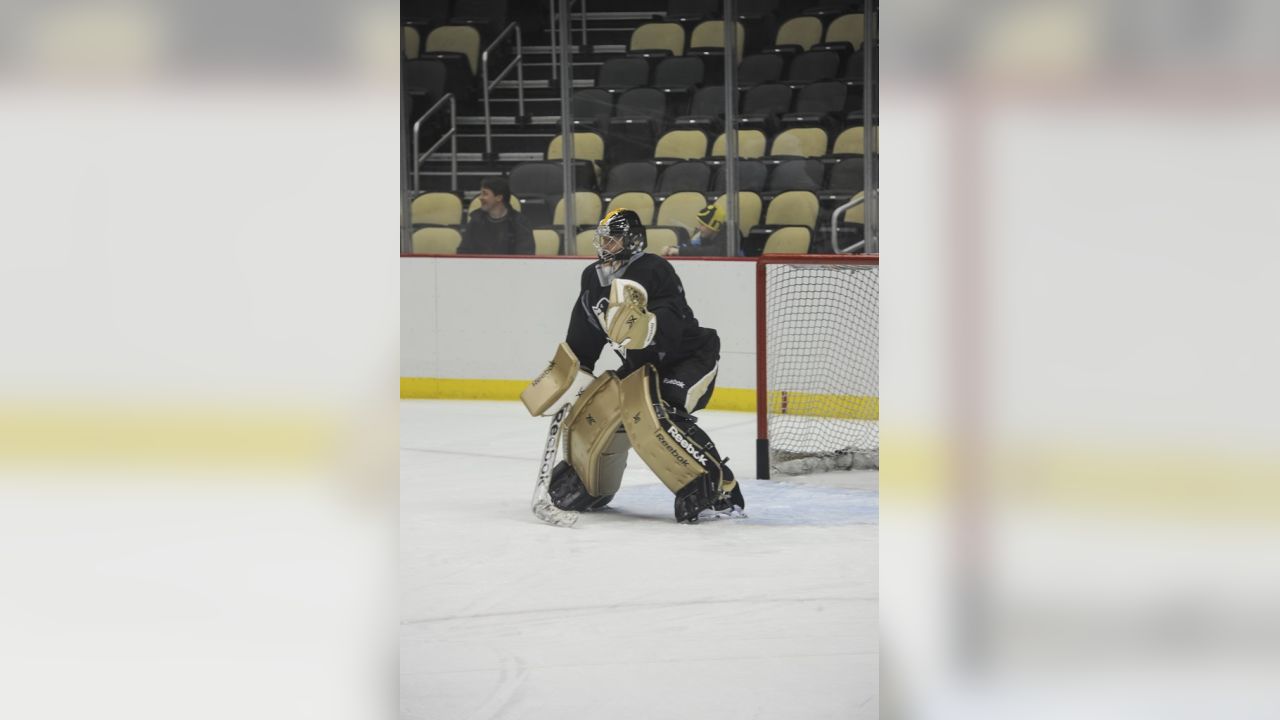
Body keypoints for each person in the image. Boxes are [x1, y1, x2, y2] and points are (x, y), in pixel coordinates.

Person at [539, 208, 744, 522]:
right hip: (643, 367)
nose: (605, 244)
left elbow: (674, 321)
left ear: (632, 239)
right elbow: (585, 332)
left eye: (613, 238)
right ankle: (588, 482)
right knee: (595, 411)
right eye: (603, 238)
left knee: (663, 413)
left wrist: (651, 327)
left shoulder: (654, 268)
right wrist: (571, 376)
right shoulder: (592, 279)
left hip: (687, 359)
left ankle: (719, 489)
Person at [457, 176, 534, 255]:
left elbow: (525, 256)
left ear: (499, 198)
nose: (480, 198)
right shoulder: (476, 220)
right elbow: (463, 252)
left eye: (485, 194)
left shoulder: (520, 222)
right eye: (481, 194)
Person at [660, 203, 740, 257]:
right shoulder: (703, 235)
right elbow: (689, 246)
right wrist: (672, 248)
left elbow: (716, 251)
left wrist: (680, 251)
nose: (699, 228)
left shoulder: (730, 235)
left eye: (702, 225)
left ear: (713, 227)